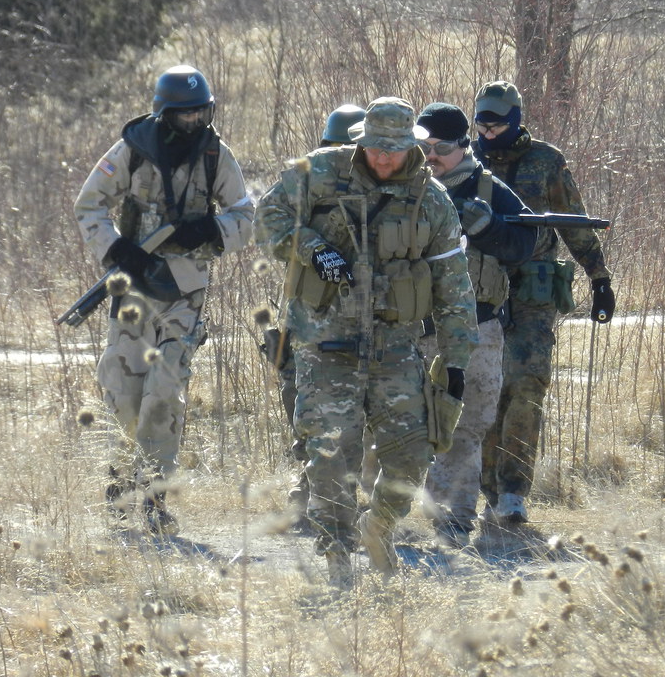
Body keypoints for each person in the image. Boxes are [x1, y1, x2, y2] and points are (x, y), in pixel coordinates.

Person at [253, 97, 478, 586]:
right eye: (374, 148)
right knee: (331, 456)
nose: (382, 158)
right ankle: (337, 559)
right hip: (325, 344)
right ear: (363, 141)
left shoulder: (432, 199)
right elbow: (268, 215)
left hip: (395, 349)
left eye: (392, 150)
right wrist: (313, 251)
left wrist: (455, 361)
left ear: (411, 147)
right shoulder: (319, 173)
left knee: (413, 452)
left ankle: (379, 526)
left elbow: (453, 284)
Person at [74, 65, 254, 535]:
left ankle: (154, 497)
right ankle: (118, 486)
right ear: (164, 113)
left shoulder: (216, 154)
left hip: (185, 292)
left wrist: (211, 230)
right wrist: (116, 249)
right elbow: (89, 204)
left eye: (202, 112)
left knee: (164, 394)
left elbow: (245, 215)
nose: (195, 121)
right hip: (133, 289)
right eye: (185, 114)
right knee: (124, 392)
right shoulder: (133, 149)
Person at [471, 81, 615, 525]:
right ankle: (485, 486)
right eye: (482, 122)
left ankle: (513, 490)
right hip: (480, 289)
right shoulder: (466, 164)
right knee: (485, 388)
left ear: (515, 119)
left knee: (528, 383)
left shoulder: (546, 161)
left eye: (497, 122)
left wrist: (600, 277)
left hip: (533, 290)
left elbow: (574, 223)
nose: (489, 130)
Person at [415, 102, 537, 547]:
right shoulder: (407, 185)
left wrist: (486, 227)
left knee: (468, 421)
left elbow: (527, 242)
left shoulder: (489, 189)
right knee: (403, 418)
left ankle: (453, 515)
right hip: (413, 325)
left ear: (464, 145)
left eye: (442, 147)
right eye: (423, 146)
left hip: (476, 326)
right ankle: (384, 509)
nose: (432, 156)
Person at [266, 103, 368, 526]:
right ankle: (308, 494)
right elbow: (272, 223)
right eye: (336, 147)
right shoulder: (307, 181)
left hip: (362, 317)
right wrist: (314, 248)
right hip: (309, 315)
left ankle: (333, 497)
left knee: (351, 412)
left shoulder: (383, 184)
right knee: (307, 408)